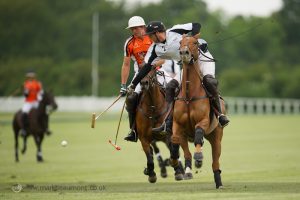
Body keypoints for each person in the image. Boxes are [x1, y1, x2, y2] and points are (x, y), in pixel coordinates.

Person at [127, 21, 230, 135]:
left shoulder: (174, 31)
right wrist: (133, 84)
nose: (149, 38)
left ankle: (220, 115)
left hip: (202, 59)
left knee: (209, 81)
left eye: (150, 35)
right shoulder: (154, 49)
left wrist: (193, 39)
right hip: (187, 66)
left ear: (157, 33)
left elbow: (196, 25)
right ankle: (168, 122)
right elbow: (146, 68)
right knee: (171, 86)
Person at [120, 16, 172, 142]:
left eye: (136, 28)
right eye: (132, 29)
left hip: (160, 69)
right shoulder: (129, 43)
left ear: (143, 27)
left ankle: (175, 123)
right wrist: (123, 85)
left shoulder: (154, 37)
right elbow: (126, 64)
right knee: (131, 98)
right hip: (141, 74)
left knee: (174, 89)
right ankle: (133, 130)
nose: (134, 31)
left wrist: (153, 65)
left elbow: (166, 57)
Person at [20, 71, 44, 137]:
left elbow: (40, 91)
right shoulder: (26, 84)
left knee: (42, 113)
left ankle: (44, 128)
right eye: (29, 77)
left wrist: (40, 96)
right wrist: (25, 92)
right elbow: (25, 95)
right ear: (28, 77)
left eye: (32, 76)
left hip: (36, 101)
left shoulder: (37, 83)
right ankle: (23, 129)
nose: (31, 78)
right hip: (28, 102)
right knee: (24, 113)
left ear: (34, 77)